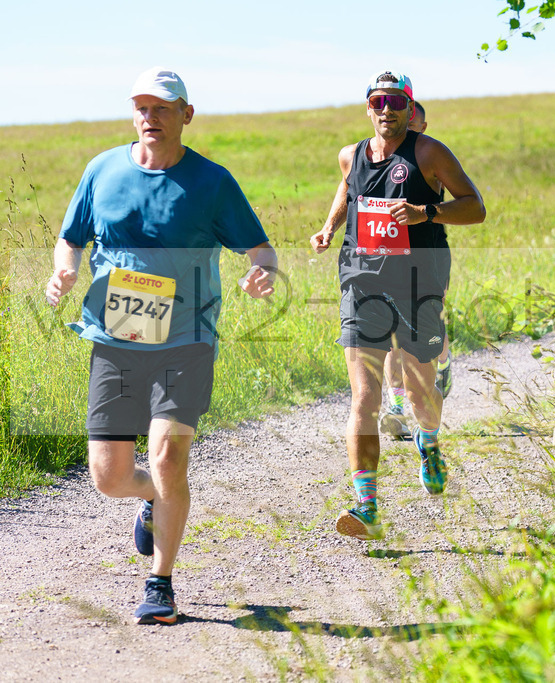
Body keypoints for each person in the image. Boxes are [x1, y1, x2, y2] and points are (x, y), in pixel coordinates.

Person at [45, 67, 277, 625]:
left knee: (169, 456)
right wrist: (64, 271)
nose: (150, 117)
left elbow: (261, 249)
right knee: (109, 477)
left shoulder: (212, 182)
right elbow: (70, 238)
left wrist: (262, 273)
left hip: (186, 339)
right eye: (142, 108)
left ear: (186, 115)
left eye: (162, 108)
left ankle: (160, 584)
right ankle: (152, 497)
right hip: (117, 339)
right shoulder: (102, 170)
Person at [310, 70, 485, 541]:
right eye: (377, 101)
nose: (386, 109)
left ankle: (428, 441)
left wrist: (427, 212)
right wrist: (329, 228)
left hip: (418, 282)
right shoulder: (351, 155)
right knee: (364, 397)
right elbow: (347, 190)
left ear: (410, 107)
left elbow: (475, 206)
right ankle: (366, 506)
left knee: (422, 392)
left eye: (395, 101)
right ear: (368, 108)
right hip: (361, 281)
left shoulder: (429, 153)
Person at [379, 100, 453, 440]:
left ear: (422, 127)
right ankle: (395, 408)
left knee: (430, 322)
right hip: (389, 261)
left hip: (430, 257)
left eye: (412, 126)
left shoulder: (429, 157)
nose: (404, 131)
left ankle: (443, 363)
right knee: (393, 334)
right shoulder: (379, 159)